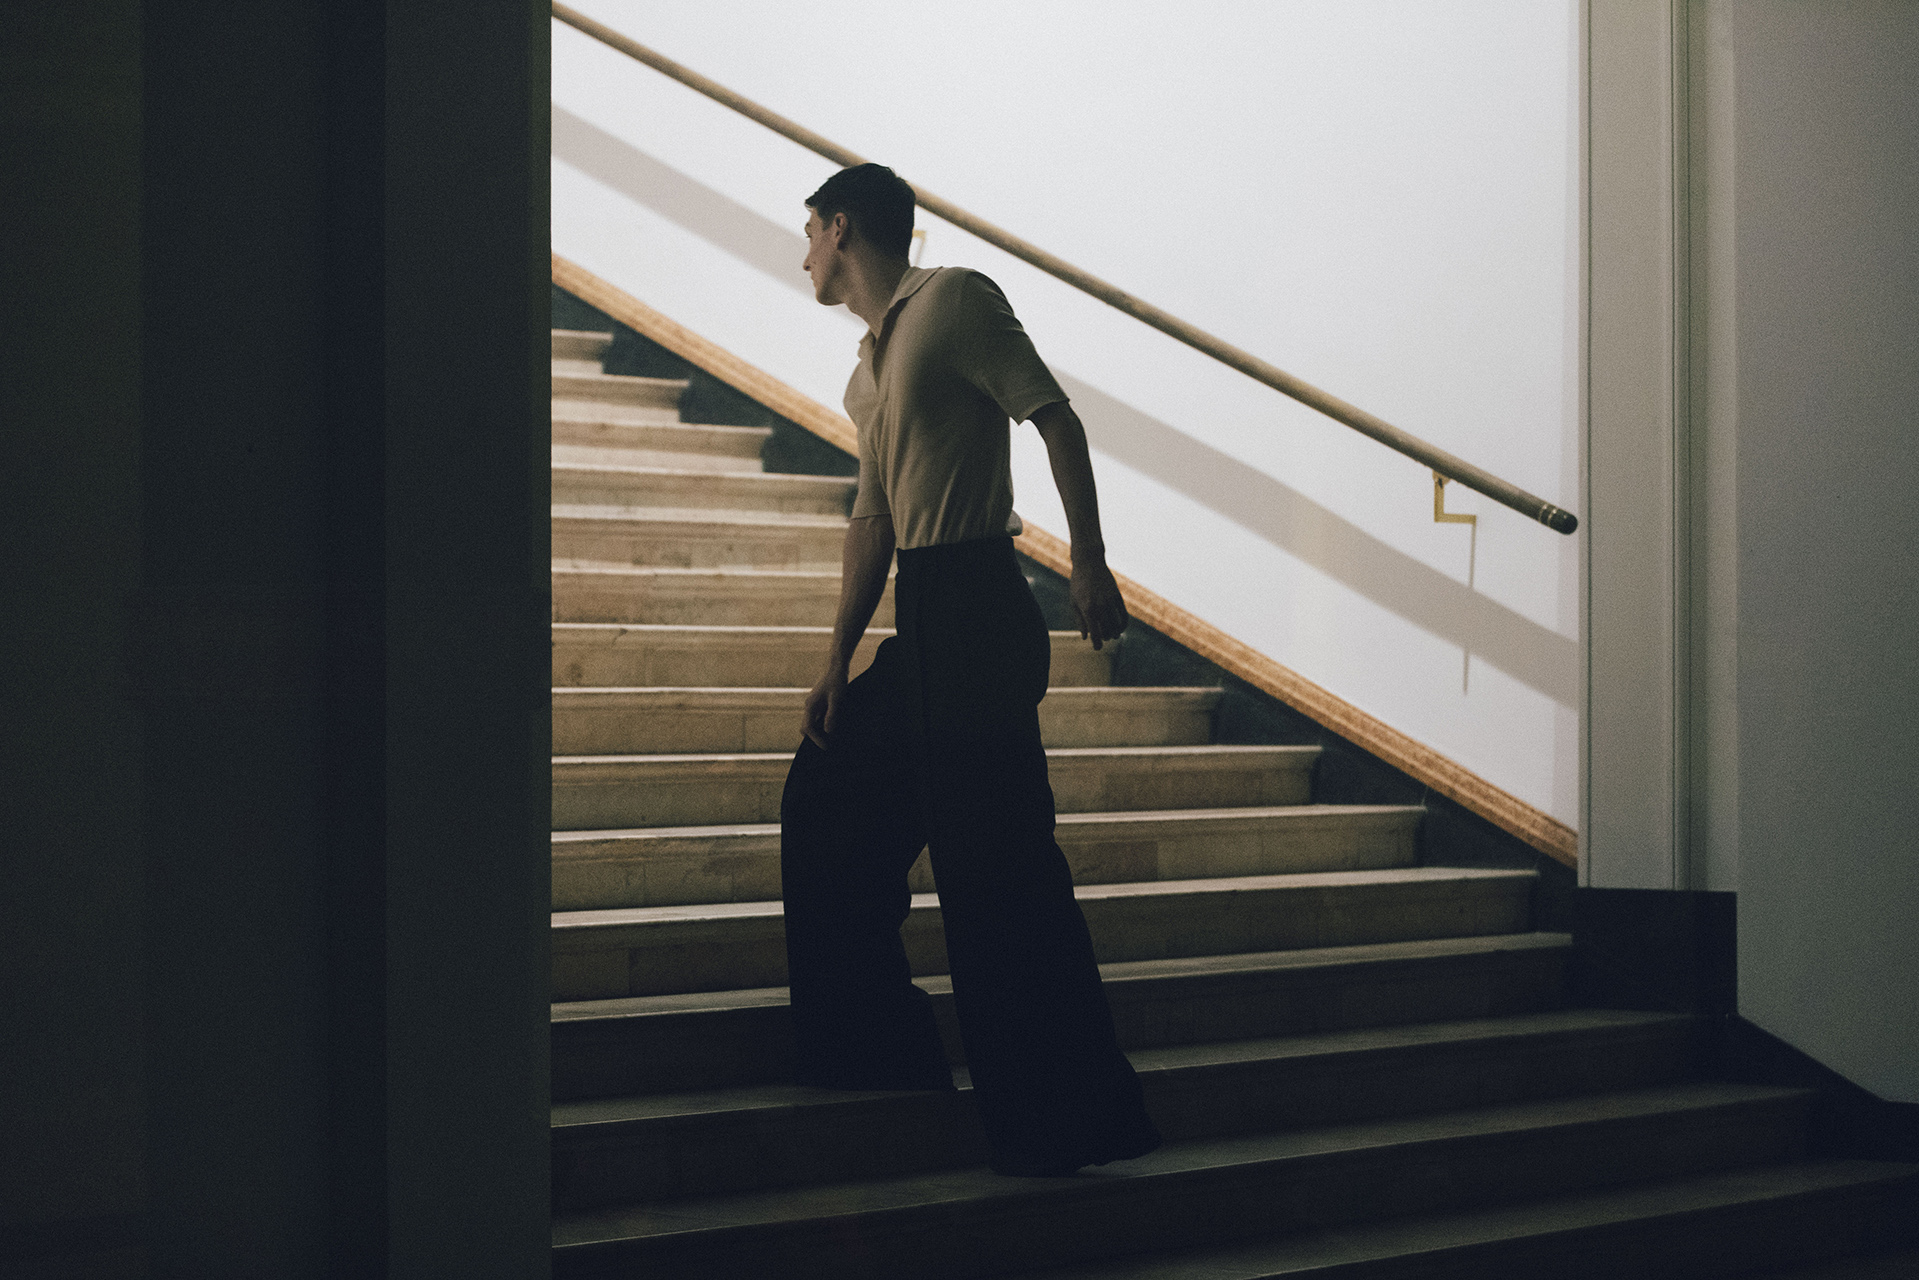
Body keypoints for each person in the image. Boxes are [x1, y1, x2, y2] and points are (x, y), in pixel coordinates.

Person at [779, 163, 1162, 1177]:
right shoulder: (866, 370)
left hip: (982, 606)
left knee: (994, 870)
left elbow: (1054, 415)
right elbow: (872, 521)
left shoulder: (953, 300)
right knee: (825, 795)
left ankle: (1065, 1116)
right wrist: (834, 660)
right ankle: (879, 1050)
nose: (802, 251)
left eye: (807, 230)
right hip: (923, 618)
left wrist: (1086, 562)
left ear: (843, 226)